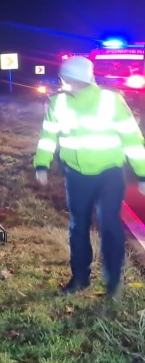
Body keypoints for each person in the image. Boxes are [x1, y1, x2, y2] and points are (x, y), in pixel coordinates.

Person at [33, 55, 145, 298]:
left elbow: (131, 138)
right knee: (79, 227)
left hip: (109, 174)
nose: (68, 83)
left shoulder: (110, 100)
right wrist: (41, 163)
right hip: (77, 175)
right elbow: (48, 136)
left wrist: (142, 172)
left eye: (71, 79)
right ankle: (80, 279)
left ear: (82, 78)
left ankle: (113, 282)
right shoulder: (58, 103)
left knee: (110, 225)